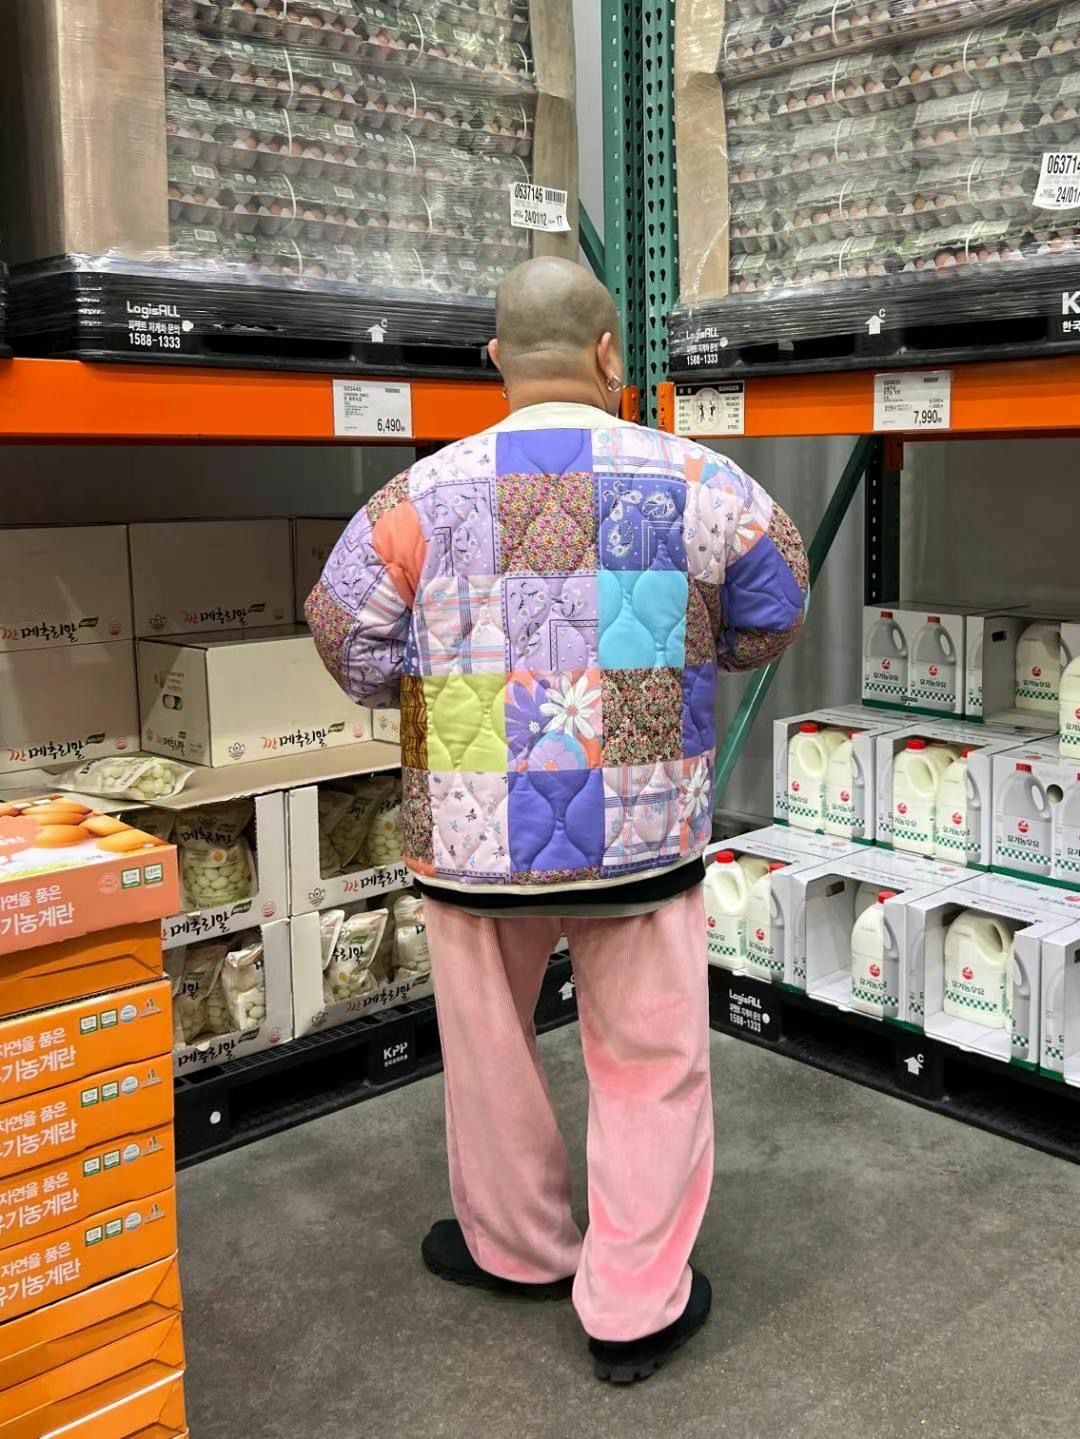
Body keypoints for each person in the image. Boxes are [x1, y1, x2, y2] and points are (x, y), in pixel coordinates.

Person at [307, 257, 808, 1383]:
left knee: (488, 1050)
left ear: (495, 360)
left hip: (473, 828)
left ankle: (519, 1246)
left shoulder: (416, 497)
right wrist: (703, 656)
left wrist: (423, 685)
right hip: (642, 826)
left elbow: (345, 632)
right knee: (651, 1058)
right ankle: (633, 1304)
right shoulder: (703, 481)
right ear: (609, 353)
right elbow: (777, 599)